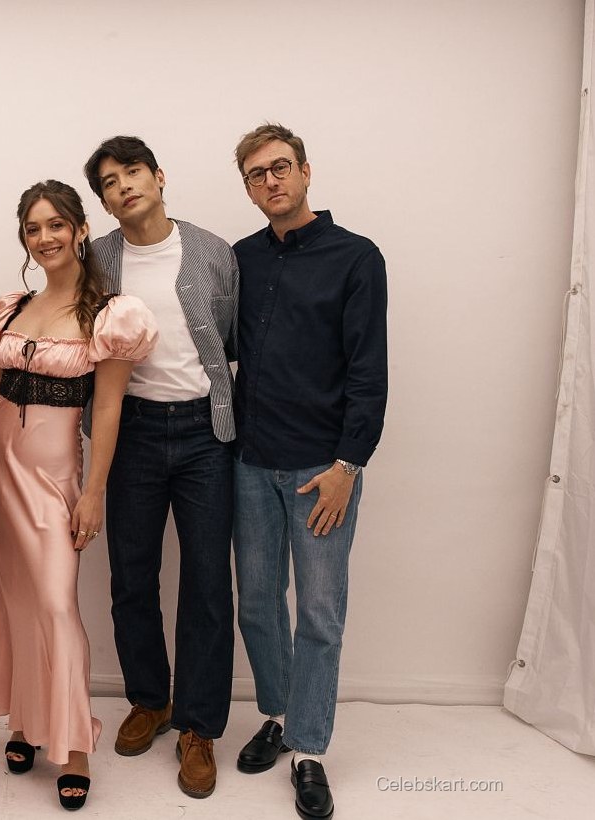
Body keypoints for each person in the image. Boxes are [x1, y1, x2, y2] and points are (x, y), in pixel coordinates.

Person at [0, 180, 157, 811]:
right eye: (32, 229)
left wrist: (93, 491)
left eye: (55, 225)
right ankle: (24, 721)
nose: (44, 238)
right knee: (14, 599)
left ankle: (73, 747)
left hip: (51, 479)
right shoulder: (14, 306)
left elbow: (107, 410)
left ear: (78, 228)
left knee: (53, 603)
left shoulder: (111, 314)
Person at [230, 123, 388, 820]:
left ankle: (311, 750)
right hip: (249, 463)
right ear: (248, 186)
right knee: (257, 606)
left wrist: (349, 466)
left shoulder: (357, 258)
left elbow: (369, 373)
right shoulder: (241, 259)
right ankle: (279, 714)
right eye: (257, 174)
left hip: (322, 472)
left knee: (319, 614)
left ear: (306, 172)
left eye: (280, 168)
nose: (271, 182)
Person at [81, 136, 238, 800]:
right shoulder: (99, 261)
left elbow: (227, 335)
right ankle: (151, 699)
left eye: (133, 173)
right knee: (132, 578)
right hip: (134, 434)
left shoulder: (212, 252)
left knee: (206, 583)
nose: (124, 187)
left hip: (205, 434)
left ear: (158, 176)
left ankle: (199, 727)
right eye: (109, 181)